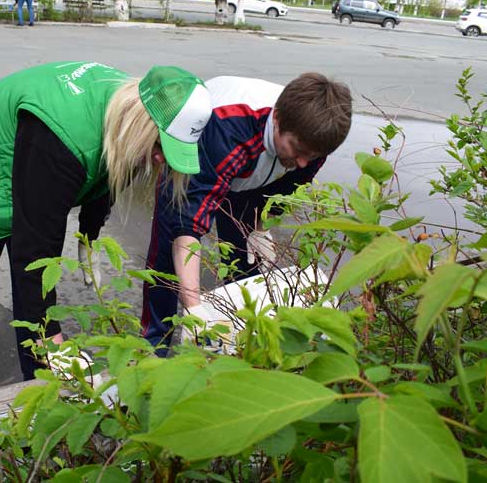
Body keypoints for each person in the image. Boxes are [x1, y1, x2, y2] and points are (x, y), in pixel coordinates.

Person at [0, 61, 212, 402]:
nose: (162, 159)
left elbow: (107, 175)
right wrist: (54, 346)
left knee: (32, 299)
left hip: (26, 155)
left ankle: (39, 399)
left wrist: (89, 237)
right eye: (160, 146)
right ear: (142, 126)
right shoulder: (61, 138)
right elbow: (35, 254)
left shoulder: (127, 114)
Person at [141, 73, 353, 350]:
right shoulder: (228, 129)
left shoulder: (314, 138)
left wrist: (261, 228)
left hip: (252, 175)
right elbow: (188, 223)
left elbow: (284, 189)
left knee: (246, 261)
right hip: (197, 164)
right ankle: (156, 346)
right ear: (277, 119)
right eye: (298, 150)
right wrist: (193, 308)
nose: (303, 162)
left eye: (311, 156)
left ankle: (237, 343)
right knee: (167, 268)